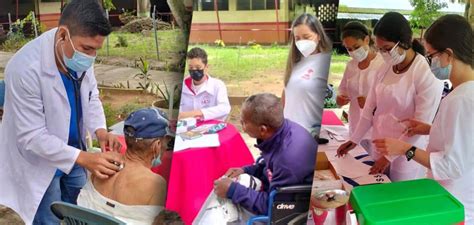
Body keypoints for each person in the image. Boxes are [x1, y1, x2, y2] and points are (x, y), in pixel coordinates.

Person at [0, 1, 124, 224]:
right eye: (87, 49)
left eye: (96, 49)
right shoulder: (24, 68)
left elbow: (91, 95)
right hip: (39, 161)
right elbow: (32, 136)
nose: (91, 56)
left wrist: (101, 132)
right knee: (49, 217)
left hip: (75, 152)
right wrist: (87, 159)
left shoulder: (79, 53)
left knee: (78, 209)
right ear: (63, 35)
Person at [373, 14, 473, 224]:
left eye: (431, 56)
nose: (429, 62)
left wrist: (404, 149)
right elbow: (465, 139)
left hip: (454, 203)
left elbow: (451, 166)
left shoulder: (461, 99)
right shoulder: (464, 93)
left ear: (448, 54)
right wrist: (429, 128)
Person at [336, 12, 444, 182]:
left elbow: (419, 126)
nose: (383, 54)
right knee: (376, 189)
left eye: (387, 49)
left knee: (398, 198)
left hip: (407, 151)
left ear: (404, 42)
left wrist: (388, 158)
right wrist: (354, 139)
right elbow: (369, 110)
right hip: (380, 143)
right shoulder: (386, 67)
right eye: (380, 49)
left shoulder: (425, 73)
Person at [214, 93, 317, 215]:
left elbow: (275, 208)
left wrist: (233, 190)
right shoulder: (280, 130)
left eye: (244, 122)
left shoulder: (287, 159)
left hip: (292, 205)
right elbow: (270, 166)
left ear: (263, 129)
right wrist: (247, 170)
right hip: (280, 187)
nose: (242, 126)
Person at [78, 107, 171, 224]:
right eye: (166, 142)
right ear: (156, 145)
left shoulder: (101, 164)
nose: (166, 147)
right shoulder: (156, 183)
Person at [282, 13, 332, 136]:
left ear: (318, 36)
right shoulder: (295, 61)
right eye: (297, 38)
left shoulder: (325, 62)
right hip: (289, 132)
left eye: (306, 37)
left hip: (309, 134)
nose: (301, 42)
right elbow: (286, 94)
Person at [337, 21, 385, 145]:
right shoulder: (350, 66)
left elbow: (392, 100)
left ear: (366, 40)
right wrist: (340, 99)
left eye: (357, 47)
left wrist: (371, 103)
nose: (353, 52)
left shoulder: (383, 64)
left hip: (377, 130)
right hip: (355, 127)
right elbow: (342, 91)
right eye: (349, 49)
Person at [179, 47, 231, 121]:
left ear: (206, 67)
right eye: (191, 67)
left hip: (211, 127)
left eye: (198, 67)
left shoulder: (218, 85)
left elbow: (225, 108)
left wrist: (198, 113)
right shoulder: (182, 86)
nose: (194, 70)